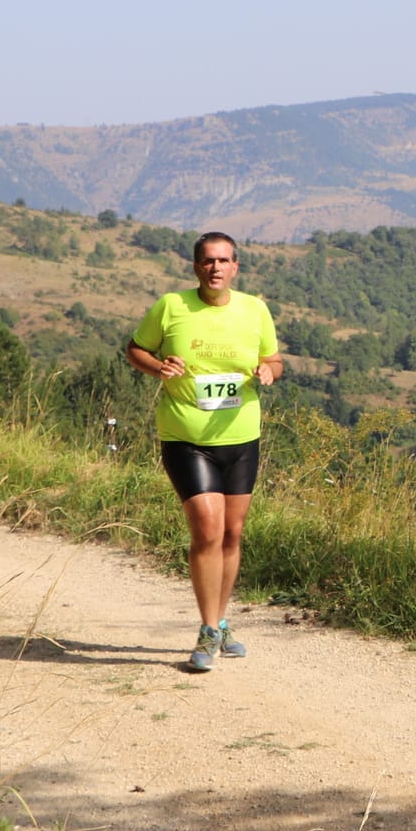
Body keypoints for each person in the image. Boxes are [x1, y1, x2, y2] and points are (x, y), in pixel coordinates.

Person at [125, 232, 283, 671]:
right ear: (196, 267)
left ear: (236, 267)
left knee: (232, 534)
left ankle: (221, 617)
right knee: (208, 530)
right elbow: (135, 349)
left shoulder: (255, 310)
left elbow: (276, 360)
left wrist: (268, 371)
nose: (215, 268)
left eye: (224, 261)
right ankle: (209, 629)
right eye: (207, 261)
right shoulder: (171, 307)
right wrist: (158, 366)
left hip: (241, 438)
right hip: (186, 437)